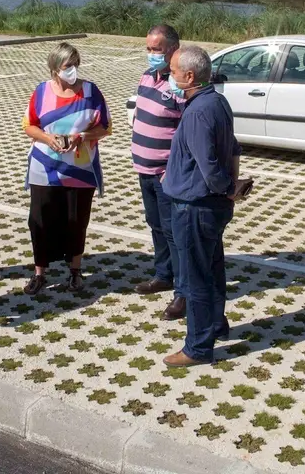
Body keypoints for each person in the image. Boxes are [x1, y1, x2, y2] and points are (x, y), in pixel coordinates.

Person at [161, 45, 241, 368]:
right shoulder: (218, 101)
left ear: (189, 76)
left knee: (195, 277)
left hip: (195, 208)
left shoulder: (196, 111)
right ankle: (216, 324)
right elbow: (233, 149)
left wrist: (227, 189)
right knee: (212, 269)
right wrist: (230, 189)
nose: (170, 76)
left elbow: (208, 167)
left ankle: (197, 346)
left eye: (173, 70)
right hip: (210, 207)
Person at [21, 43, 111, 295]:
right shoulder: (40, 92)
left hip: (80, 171)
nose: (72, 70)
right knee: (39, 221)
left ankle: (75, 271)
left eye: (75, 64)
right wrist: (48, 139)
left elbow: (105, 127)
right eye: (67, 66)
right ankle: (39, 273)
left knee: (76, 220)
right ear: (54, 68)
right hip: (45, 169)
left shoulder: (91, 92)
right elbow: (29, 126)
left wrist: (82, 135)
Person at [131, 24, 186, 320]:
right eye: (148, 49)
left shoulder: (178, 85)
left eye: (157, 49)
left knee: (173, 231)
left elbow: (185, 131)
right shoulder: (146, 76)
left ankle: (183, 292)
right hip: (144, 168)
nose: (151, 54)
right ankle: (163, 274)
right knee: (155, 224)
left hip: (166, 172)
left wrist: (172, 168)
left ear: (173, 50)